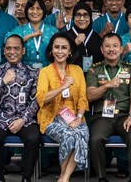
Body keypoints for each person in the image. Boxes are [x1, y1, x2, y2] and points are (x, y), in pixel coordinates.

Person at [0, 34, 41, 182]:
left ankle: (26, 178)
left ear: (23, 51)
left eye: (16, 48)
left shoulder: (32, 73)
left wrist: (23, 119)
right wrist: (3, 81)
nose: (12, 52)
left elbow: (36, 101)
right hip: (0, 118)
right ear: (3, 51)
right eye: (8, 48)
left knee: (34, 138)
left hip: (24, 119)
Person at [86, 33, 131, 182]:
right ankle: (102, 177)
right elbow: (90, 96)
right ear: (102, 49)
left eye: (115, 46)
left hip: (124, 115)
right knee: (96, 138)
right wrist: (106, 85)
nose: (111, 49)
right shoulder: (94, 70)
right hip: (102, 117)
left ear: (121, 48)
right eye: (107, 46)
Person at [37, 32, 90, 182]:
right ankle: (64, 177)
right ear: (51, 50)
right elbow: (41, 98)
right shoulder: (45, 72)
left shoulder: (77, 70)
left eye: (64, 48)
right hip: (51, 118)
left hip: (74, 117)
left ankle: (64, 177)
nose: (60, 51)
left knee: (83, 132)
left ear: (70, 52)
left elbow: (82, 98)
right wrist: (63, 87)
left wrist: (79, 118)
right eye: (57, 47)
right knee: (69, 136)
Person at [9, 0, 58, 68]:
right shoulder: (19, 30)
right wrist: (32, 35)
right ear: (27, 11)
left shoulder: (53, 31)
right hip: (24, 72)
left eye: (38, 8)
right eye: (31, 8)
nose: (35, 12)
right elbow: (9, 43)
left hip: (48, 71)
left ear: (43, 11)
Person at [66, 2, 103, 71]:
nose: (82, 19)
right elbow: (61, 57)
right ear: (73, 17)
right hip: (71, 76)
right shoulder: (66, 37)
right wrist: (74, 44)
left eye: (85, 15)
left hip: (92, 78)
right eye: (78, 15)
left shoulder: (97, 38)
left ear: (90, 17)